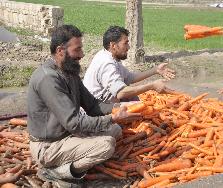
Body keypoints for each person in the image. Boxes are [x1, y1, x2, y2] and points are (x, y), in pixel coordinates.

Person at [27, 25, 141, 187]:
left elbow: (92, 106)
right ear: (60, 50)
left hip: (67, 134)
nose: (81, 55)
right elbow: (73, 122)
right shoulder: (49, 79)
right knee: (106, 145)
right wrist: (113, 117)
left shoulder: (69, 72)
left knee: (115, 130)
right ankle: (56, 172)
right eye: (77, 50)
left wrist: (119, 108)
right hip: (48, 146)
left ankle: (73, 160)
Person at [83, 26, 176, 103]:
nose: (128, 47)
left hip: (104, 101)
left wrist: (155, 70)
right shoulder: (107, 63)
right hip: (96, 107)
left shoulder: (108, 54)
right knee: (139, 109)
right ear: (113, 45)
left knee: (134, 99)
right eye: (125, 43)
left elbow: (130, 78)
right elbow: (121, 93)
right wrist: (152, 86)